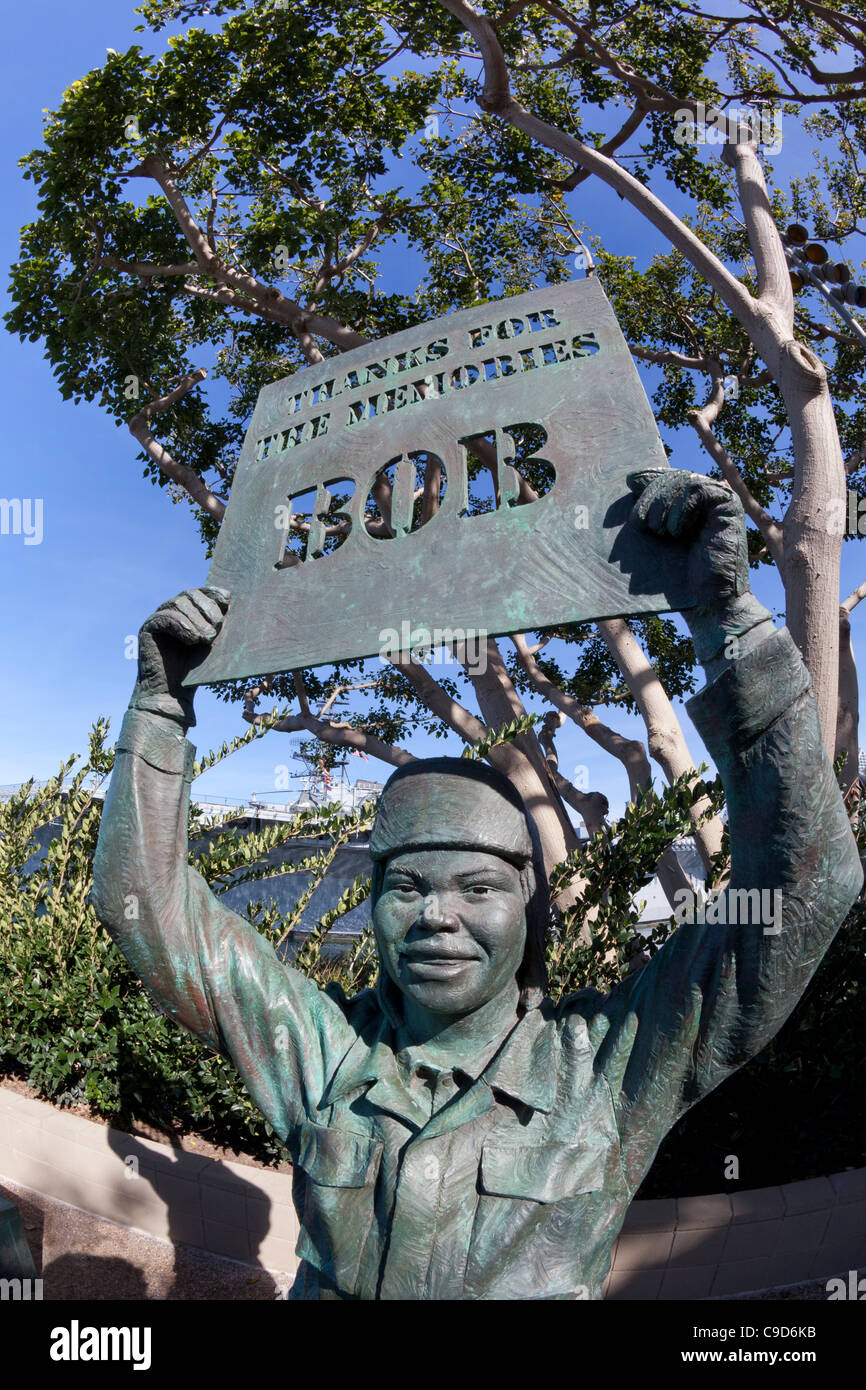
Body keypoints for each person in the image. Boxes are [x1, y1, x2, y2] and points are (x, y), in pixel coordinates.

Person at [92, 469, 862, 1300]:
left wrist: (728, 624)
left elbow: (806, 886)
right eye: (408, 886)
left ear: (530, 910)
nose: (437, 917)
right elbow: (153, 909)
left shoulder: (609, 1067)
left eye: (478, 888)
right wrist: (161, 711)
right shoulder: (323, 1053)